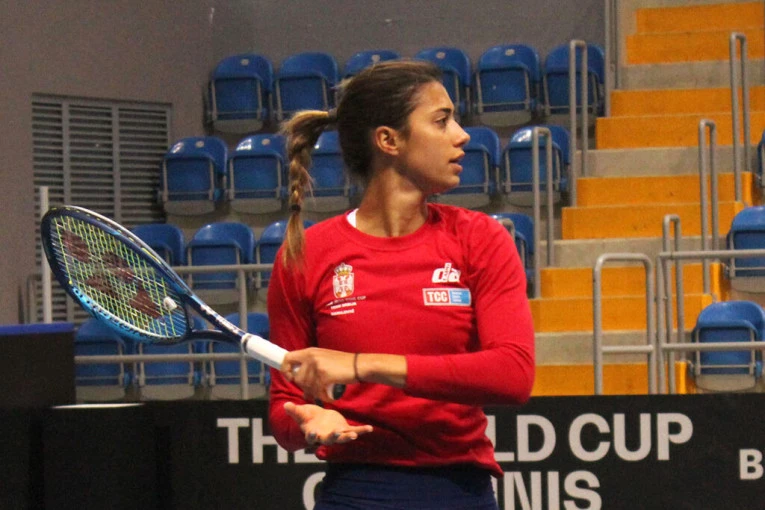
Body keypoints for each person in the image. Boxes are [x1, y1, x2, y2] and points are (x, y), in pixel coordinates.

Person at [267, 59, 535, 510]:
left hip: (461, 495)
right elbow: (285, 405)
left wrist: (360, 366)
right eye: (441, 120)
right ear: (388, 140)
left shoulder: (480, 239)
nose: (462, 135)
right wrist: (307, 421)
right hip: (353, 495)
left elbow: (513, 375)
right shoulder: (306, 255)